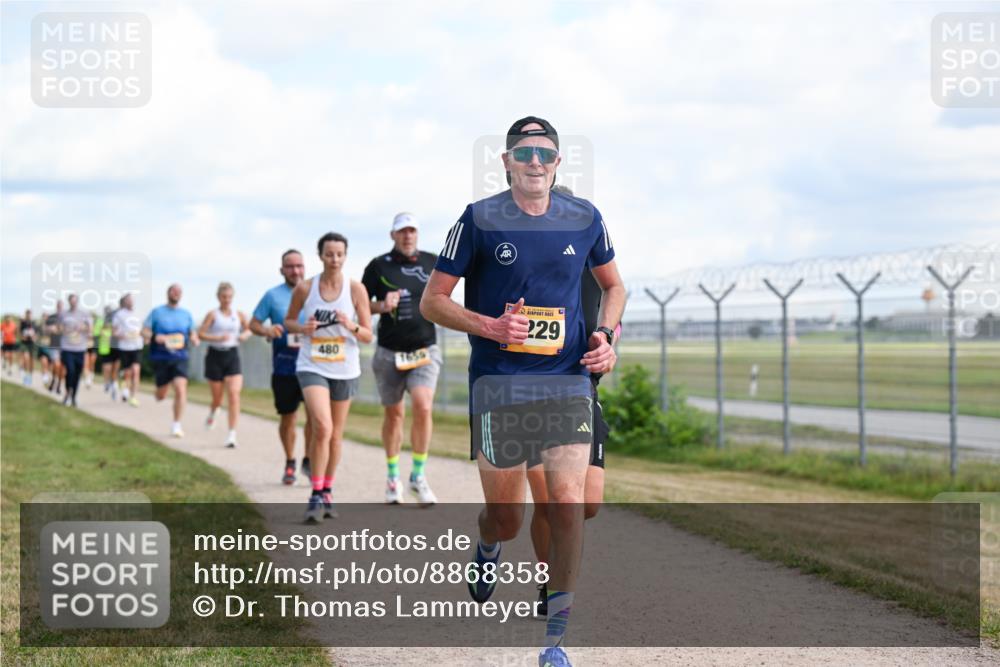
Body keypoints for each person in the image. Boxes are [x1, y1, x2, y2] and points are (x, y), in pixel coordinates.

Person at [420, 116, 625, 667]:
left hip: (567, 381)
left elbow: (614, 287)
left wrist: (606, 336)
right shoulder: (478, 219)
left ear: (559, 163)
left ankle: (555, 641)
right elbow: (433, 301)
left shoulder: (585, 218)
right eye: (525, 153)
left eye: (546, 154)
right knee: (507, 517)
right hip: (500, 385)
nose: (536, 162)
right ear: (506, 161)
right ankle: (488, 543)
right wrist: (491, 326)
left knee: (567, 502)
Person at [526, 183, 619, 618]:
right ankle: (550, 584)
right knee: (551, 501)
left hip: (581, 389)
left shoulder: (596, 265)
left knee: (588, 504)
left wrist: (607, 343)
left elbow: (613, 315)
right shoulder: (524, 264)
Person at [285, 232, 373, 523]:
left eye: (339, 254)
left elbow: (368, 335)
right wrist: (303, 328)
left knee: (335, 434)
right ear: (320, 255)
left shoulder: (356, 289)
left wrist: (350, 325)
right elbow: (288, 321)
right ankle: (314, 494)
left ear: (345, 256)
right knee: (322, 427)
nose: (334, 259)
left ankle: (327, 490)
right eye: (329, 254)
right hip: (312, 365)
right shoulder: (305, 288)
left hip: (345, 368)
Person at [361, 212, 442, 505]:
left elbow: (445, 296)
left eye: (412, 231)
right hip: (389, 352)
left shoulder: (433, 262)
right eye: (402, 231)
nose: (408, 236)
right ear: (393, 235)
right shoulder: (378, 266)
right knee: (394, 414)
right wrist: (382, 306)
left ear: (417, 234)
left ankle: (418, 476)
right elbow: (361, 305)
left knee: (423, 405)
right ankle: (393, 476)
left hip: (424, 350)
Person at [250, 249, 313, 484]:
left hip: (314, 366)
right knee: (288, 418)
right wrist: (267, 330)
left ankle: (309, 459)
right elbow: (253, 324)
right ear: (282, 270)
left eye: (299, 266)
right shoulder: (272, 296)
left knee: (316, 417)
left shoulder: (315, 292)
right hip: (284, 367)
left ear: (305, 267)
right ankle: (290, 461)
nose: (295, 271)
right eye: (290, 266)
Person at [198, 282, 251, 448]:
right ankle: (214, 410)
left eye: (229, 297)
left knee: (234, 394)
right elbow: (201, 334)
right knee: (217, 398)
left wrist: (245, 335)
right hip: (214, 356)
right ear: (218, 297)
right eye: (223, 297)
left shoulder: (239, 314)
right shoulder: (212, 315)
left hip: (232, 355)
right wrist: (217, 338)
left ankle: (232, 434)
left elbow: (250, 329)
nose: (227, 300)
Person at [143, 284, 199, 437]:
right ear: (168, 293)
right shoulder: (157, 312)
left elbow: (192, 332)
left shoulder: (186, 314)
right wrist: (155, 337)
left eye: (179, 292)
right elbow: (144, 331)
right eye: (173, 291)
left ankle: (176, 425)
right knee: (161, 395)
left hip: (180, 357)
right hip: (161, 357)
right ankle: (160, 391)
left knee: (181, 388)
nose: (176, 293)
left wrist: (194, 338)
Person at [59, 293, 93, 407]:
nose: (73, 303)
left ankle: (73, 397)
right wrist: (65, 329)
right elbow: (59, 328)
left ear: (77, 302)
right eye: (71, 301)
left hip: (80, 348)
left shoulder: (84, 314)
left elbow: (90, 330)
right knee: (70, 370)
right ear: (69, 302)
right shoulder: (63, 314)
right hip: (67, 347)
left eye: (75, 301)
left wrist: (84, 327)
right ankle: (68, 392)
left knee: (77, 374)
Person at [112, 293, 143, 407]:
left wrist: (144, 336)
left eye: (132, 300)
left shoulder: (138, 314)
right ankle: (125, 388)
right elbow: (114, 331)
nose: (130, 302)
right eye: (128, 300)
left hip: (137, 346)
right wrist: (122, 335)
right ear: (124, 302)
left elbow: (142, 329)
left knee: (136, 370)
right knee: (127, 372)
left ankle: (133, 396)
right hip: (125, 347)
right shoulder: (119, 315)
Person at [44, 302, 64, 395]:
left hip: (64, 346)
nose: (60, 308)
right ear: (57, 307)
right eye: (58, 306)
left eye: (61, 306)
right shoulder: (51, 317)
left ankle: (58, 384)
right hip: (54, 345)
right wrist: (50, 329)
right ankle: (54, 380)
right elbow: (45, 330)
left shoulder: (66, 318)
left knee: (62, 367)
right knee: (56, 364)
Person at [19, 309, 38, 386]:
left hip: (32, 344)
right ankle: (26, 376)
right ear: (26, 315)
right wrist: (23, 337)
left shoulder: (34, 323)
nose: (29, 316)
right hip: (25, 344)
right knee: (26, 358)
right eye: (28, 315)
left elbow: (37, 334)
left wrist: (34, 337)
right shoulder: (23, 323)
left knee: (32, 361)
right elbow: (20, 333)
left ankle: (30, 376)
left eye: (30, 315)